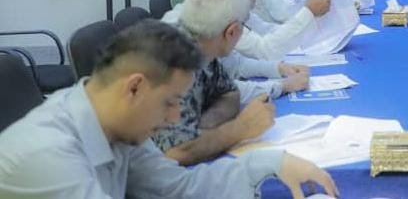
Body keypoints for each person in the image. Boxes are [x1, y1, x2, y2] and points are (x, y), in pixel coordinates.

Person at [0, 20, 338, 198]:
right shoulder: (46, 157)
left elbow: (179, 190)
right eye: (170, 102)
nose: (175, 118)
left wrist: (271, 162)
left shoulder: (116, 125)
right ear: (134, 87)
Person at [153, 0, 285, 166]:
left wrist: (202, 128)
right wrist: (241, 128)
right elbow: (177, 152)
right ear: (232, 31)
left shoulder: (203, 44)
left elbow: (229, 94)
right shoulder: (175, 58)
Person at [162, 0, 310, 104]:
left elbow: (233, 66)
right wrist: (281, 86)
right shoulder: (181, 44)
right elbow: (220, 92)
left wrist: (278, 69)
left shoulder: (205, 26)